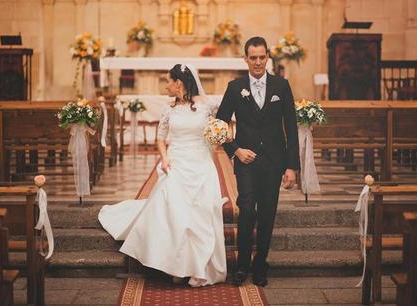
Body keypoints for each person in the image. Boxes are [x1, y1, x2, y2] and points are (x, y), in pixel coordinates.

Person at [98, 64, 227, 287]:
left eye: (168, 81)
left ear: (179, 83)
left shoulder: (207, 106)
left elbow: (221, 128)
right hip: (176, 162)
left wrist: (220, 135)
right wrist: (165, 158)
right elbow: (160, 138)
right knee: (174, 211)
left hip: (201, 164)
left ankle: (196, 266)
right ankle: (177, 265)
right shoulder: (169, 109)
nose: (166, 85)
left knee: (201, 215)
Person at [216, 36, 300, 287]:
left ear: (268, 58)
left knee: (267, 213)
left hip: (274, 161)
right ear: (245, 59)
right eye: (253, 57)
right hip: (246, 161)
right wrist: (236, 150)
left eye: (262, 57)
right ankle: (242, 266)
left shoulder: (281, 86)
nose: (258, 62)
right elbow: (219, 125)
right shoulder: (234, 87)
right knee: (246, 208)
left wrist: (291, 166)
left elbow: (291, 128)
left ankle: (261, 264)